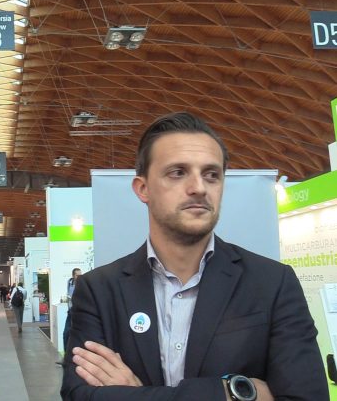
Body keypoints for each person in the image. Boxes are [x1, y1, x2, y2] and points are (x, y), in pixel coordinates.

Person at [61, 112, 328, 400]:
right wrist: (230, 394)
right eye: (178, 172)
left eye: (211, 175)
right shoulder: (99, 290)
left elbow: (307, 396)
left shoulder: (272, 283)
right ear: (143, 189)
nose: (199, 188)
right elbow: (80, 395)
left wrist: (137, 395)